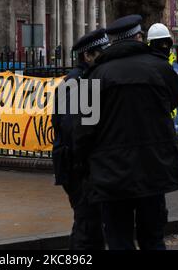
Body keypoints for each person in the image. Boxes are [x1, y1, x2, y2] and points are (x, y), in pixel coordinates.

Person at [73, 15, 178, 250]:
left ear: (112, 41)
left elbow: (82, 130)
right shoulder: (159, 67)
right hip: (154, 169)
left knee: (119, 239)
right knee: (153, 238)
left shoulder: (94, 76)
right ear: (138, 37)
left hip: (111, 175)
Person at [52, 29, 109, 250]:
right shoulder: (77, 82)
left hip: (80, 165)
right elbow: (70, 127)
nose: (105, 58)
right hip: (76, 167)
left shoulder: (87, 79)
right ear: (88, 56)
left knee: (90, 225)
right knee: (87, 225)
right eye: (101, 54)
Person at [147, 23, 178, 119]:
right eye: (161, 43)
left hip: (168, 114)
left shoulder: (169, 59)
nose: (164, 46)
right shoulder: (147, 59)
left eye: (166, 43)